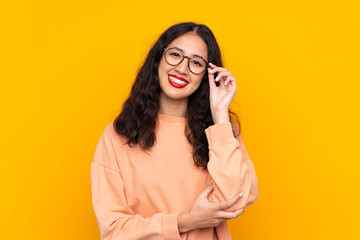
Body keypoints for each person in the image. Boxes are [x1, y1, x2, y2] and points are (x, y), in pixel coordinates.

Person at [90, 22, 259, 240]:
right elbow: (114, 232)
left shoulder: (221, 130)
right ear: (158, 58)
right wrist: (182, 222)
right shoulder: (118, 135)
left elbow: (235, 199)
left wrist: (219, 115)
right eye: (175, 54)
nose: (182, 68)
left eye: (196, 63)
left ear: (207, 74)